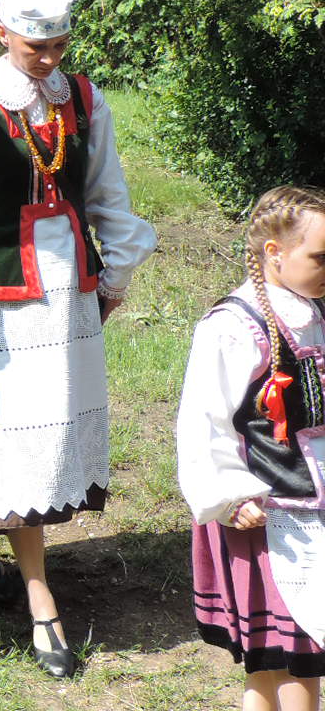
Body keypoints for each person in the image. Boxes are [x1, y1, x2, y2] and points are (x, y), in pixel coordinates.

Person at [0, 0, 158, 677]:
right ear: (2, 35)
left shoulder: (82, 100)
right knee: (15, 439)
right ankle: (42, 602)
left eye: (58, 44)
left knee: (52, 434)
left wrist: (115, 274)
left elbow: (107, 191)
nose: (49, 59)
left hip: (69, 295)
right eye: (35, 47)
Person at [177, 185, 325, 711]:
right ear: (273, 253)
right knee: (295, 668)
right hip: (267, 517)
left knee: (274, 672)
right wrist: (230, 496)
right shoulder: (235, 327)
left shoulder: (311, 312)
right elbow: (204, 421)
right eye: (320, 257)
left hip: (311, 511)